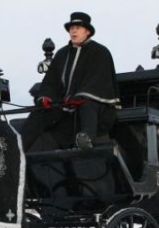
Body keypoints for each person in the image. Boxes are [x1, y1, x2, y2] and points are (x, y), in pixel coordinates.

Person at [20, 12, 120, 151]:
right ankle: (18, 146)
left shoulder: (100, 52)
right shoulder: (62, 54)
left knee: (87, 105)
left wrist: (80, 96)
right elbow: (50, 82)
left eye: (78, 27)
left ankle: (85, 139)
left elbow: (98, 81)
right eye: (72, 28)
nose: (73, 30)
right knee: (40, 112)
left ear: (87, 31)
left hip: (94, 109)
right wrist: (46, 97)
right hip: (63, 106)